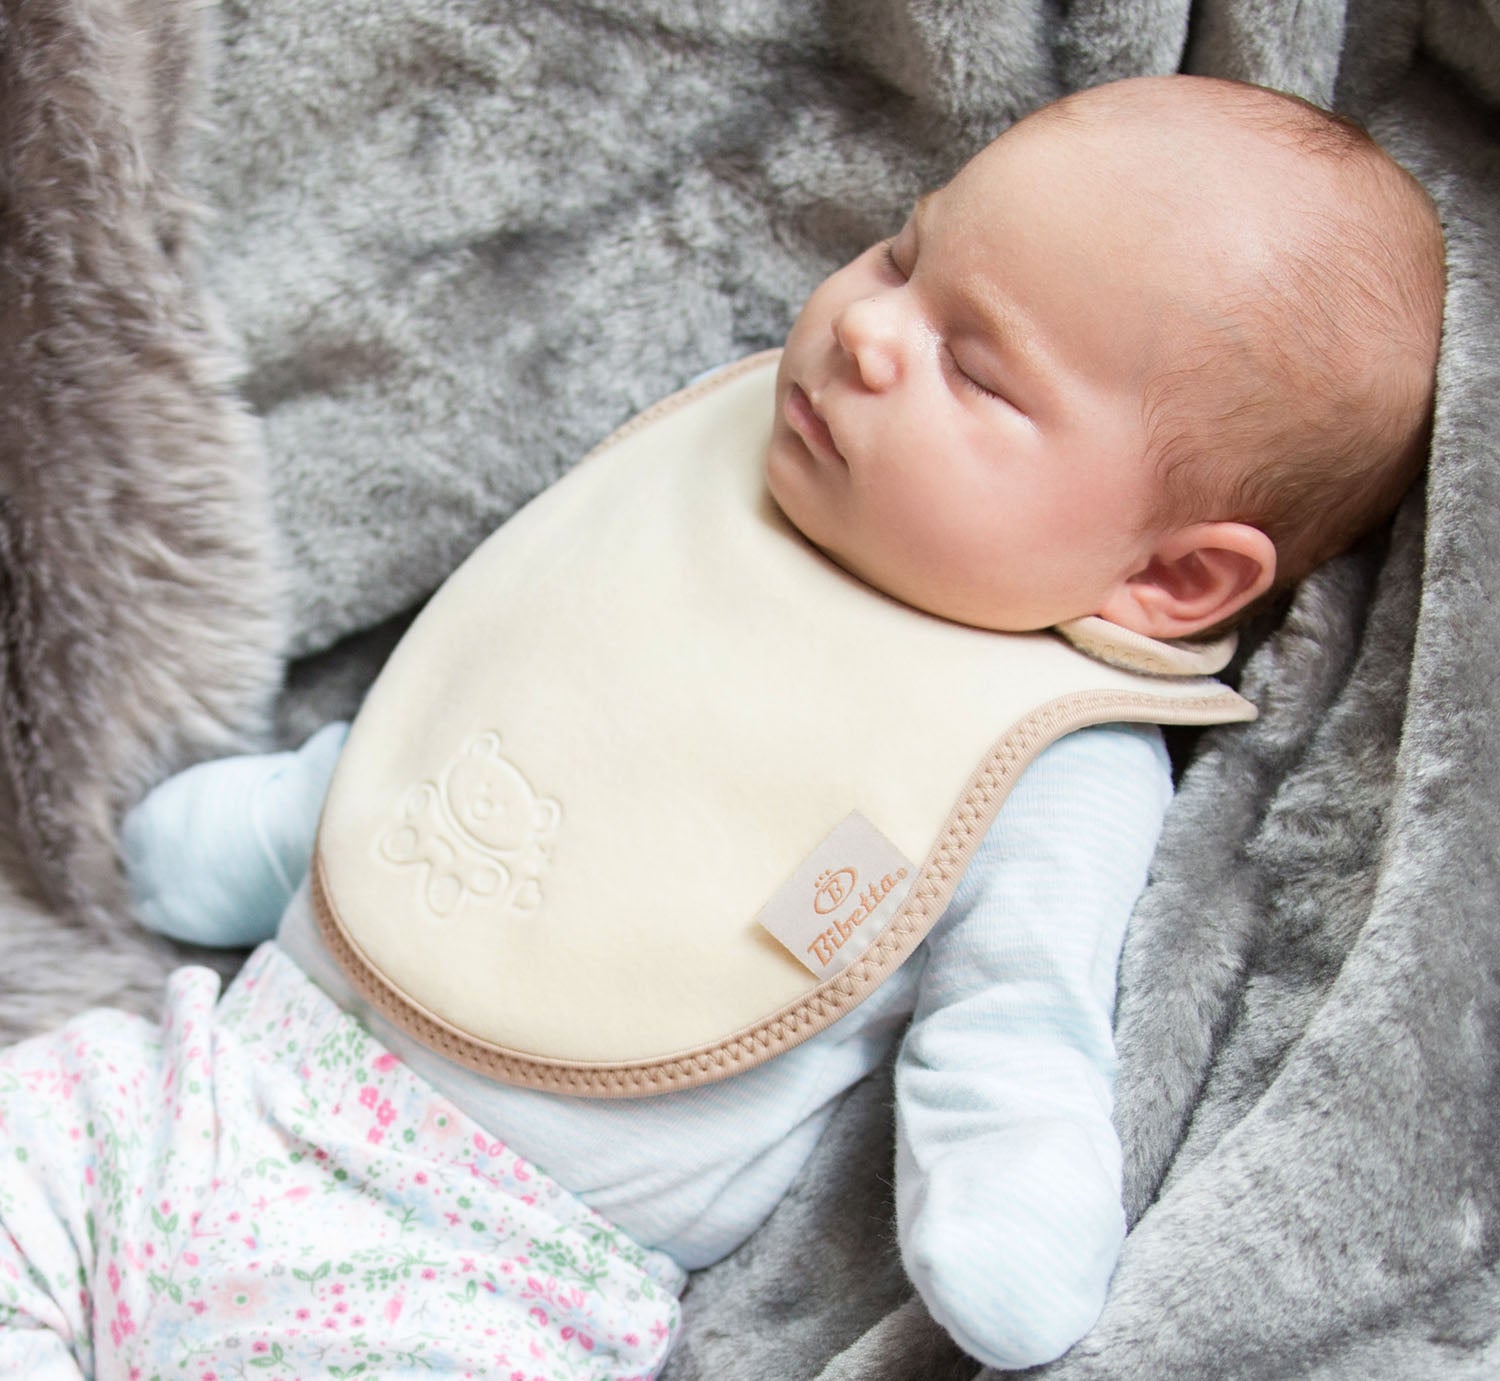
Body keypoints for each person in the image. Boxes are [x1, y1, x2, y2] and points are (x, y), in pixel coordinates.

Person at [0, 74, 1443, 1379]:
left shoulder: (1044, 755)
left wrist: (1015, 1200)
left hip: (476, 1262)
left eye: (979, 368)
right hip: (207, 1082)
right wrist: (281, 820)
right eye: (901, 252)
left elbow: (1017, 1020)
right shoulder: (708, 486)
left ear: (1171, 574)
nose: (870, 329)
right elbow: (495, 706)